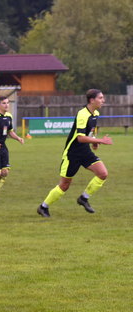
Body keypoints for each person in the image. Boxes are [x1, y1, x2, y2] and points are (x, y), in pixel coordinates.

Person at [37, 89, 113, 218]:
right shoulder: (82, 114)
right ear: (92, 100)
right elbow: (80, 138)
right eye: (100, 98)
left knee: (102, 174)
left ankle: (83, 198)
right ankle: (43, 207)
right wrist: (100, 140)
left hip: (85, 151)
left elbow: (90, 131)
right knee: (65, 185)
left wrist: (94, 141)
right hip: (72, 153)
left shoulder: (95, 113)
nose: (103, 100)